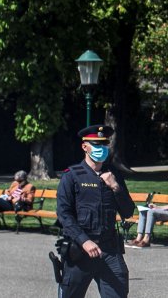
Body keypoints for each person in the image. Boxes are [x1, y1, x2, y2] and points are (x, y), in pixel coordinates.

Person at [56, 124, 137, 298]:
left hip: (109, 249)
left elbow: (128, 211)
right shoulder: (72, 175)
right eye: (97, 145)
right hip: (80, 250)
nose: (102, 148)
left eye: (104, 144)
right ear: (85, 147)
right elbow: (64, 214)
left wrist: (115, 186)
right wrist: (84, 241)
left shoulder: (114, 175)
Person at [129, 167, 168, 248]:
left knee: (151, 212)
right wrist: (157, 207)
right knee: (144, 211)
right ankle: (138, 238)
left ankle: (146, 239)